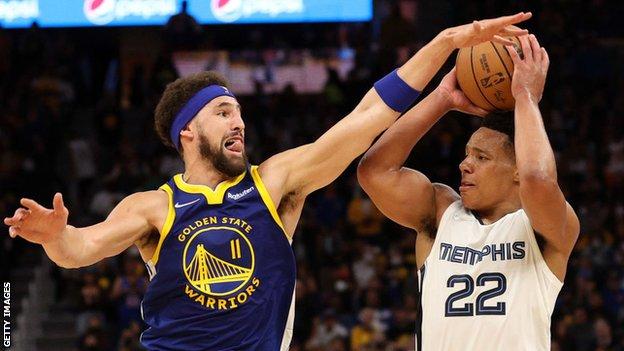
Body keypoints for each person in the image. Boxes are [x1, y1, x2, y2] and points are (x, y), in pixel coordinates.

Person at [4, 13, 531, 351]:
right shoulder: (152, 208)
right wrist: (54, 236)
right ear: (189, 131)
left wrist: (442, 42)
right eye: (223, 112)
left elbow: (366, 117)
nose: (239, 122)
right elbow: (80, 249)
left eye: (239, 112)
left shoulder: (275, 182)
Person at [357, 34, 580, 350]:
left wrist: (526, 97)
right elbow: (374, 171)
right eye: (467, 154)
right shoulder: (441, 212)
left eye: (482, 157)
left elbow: (539, 178)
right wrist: (442, 99)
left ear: (517, 169)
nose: (464, 164)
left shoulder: (545, 228)